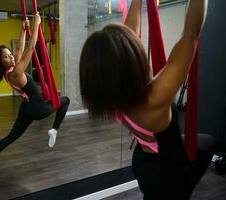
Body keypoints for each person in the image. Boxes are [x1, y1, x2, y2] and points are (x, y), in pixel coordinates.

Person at [79, 0, 215, 199]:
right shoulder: (153, 100)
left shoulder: (112, 94)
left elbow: (131, 30)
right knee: (206, 146)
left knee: (206, 143)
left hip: (143, 160)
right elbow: (191, 34)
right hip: (166, 174)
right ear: (129, 63)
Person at [0, 13, 70, 178]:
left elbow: (19, 48)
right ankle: (54, 130)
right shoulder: (16, 72)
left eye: (9, 53)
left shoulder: (9, 72)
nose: (11, 56)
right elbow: (30, 49)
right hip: (36, 107)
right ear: (0, 62)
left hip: (26, 107)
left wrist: (22, 29)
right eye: (6, 56)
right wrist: (36, 26)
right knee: (66, 100)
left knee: (11, 137)